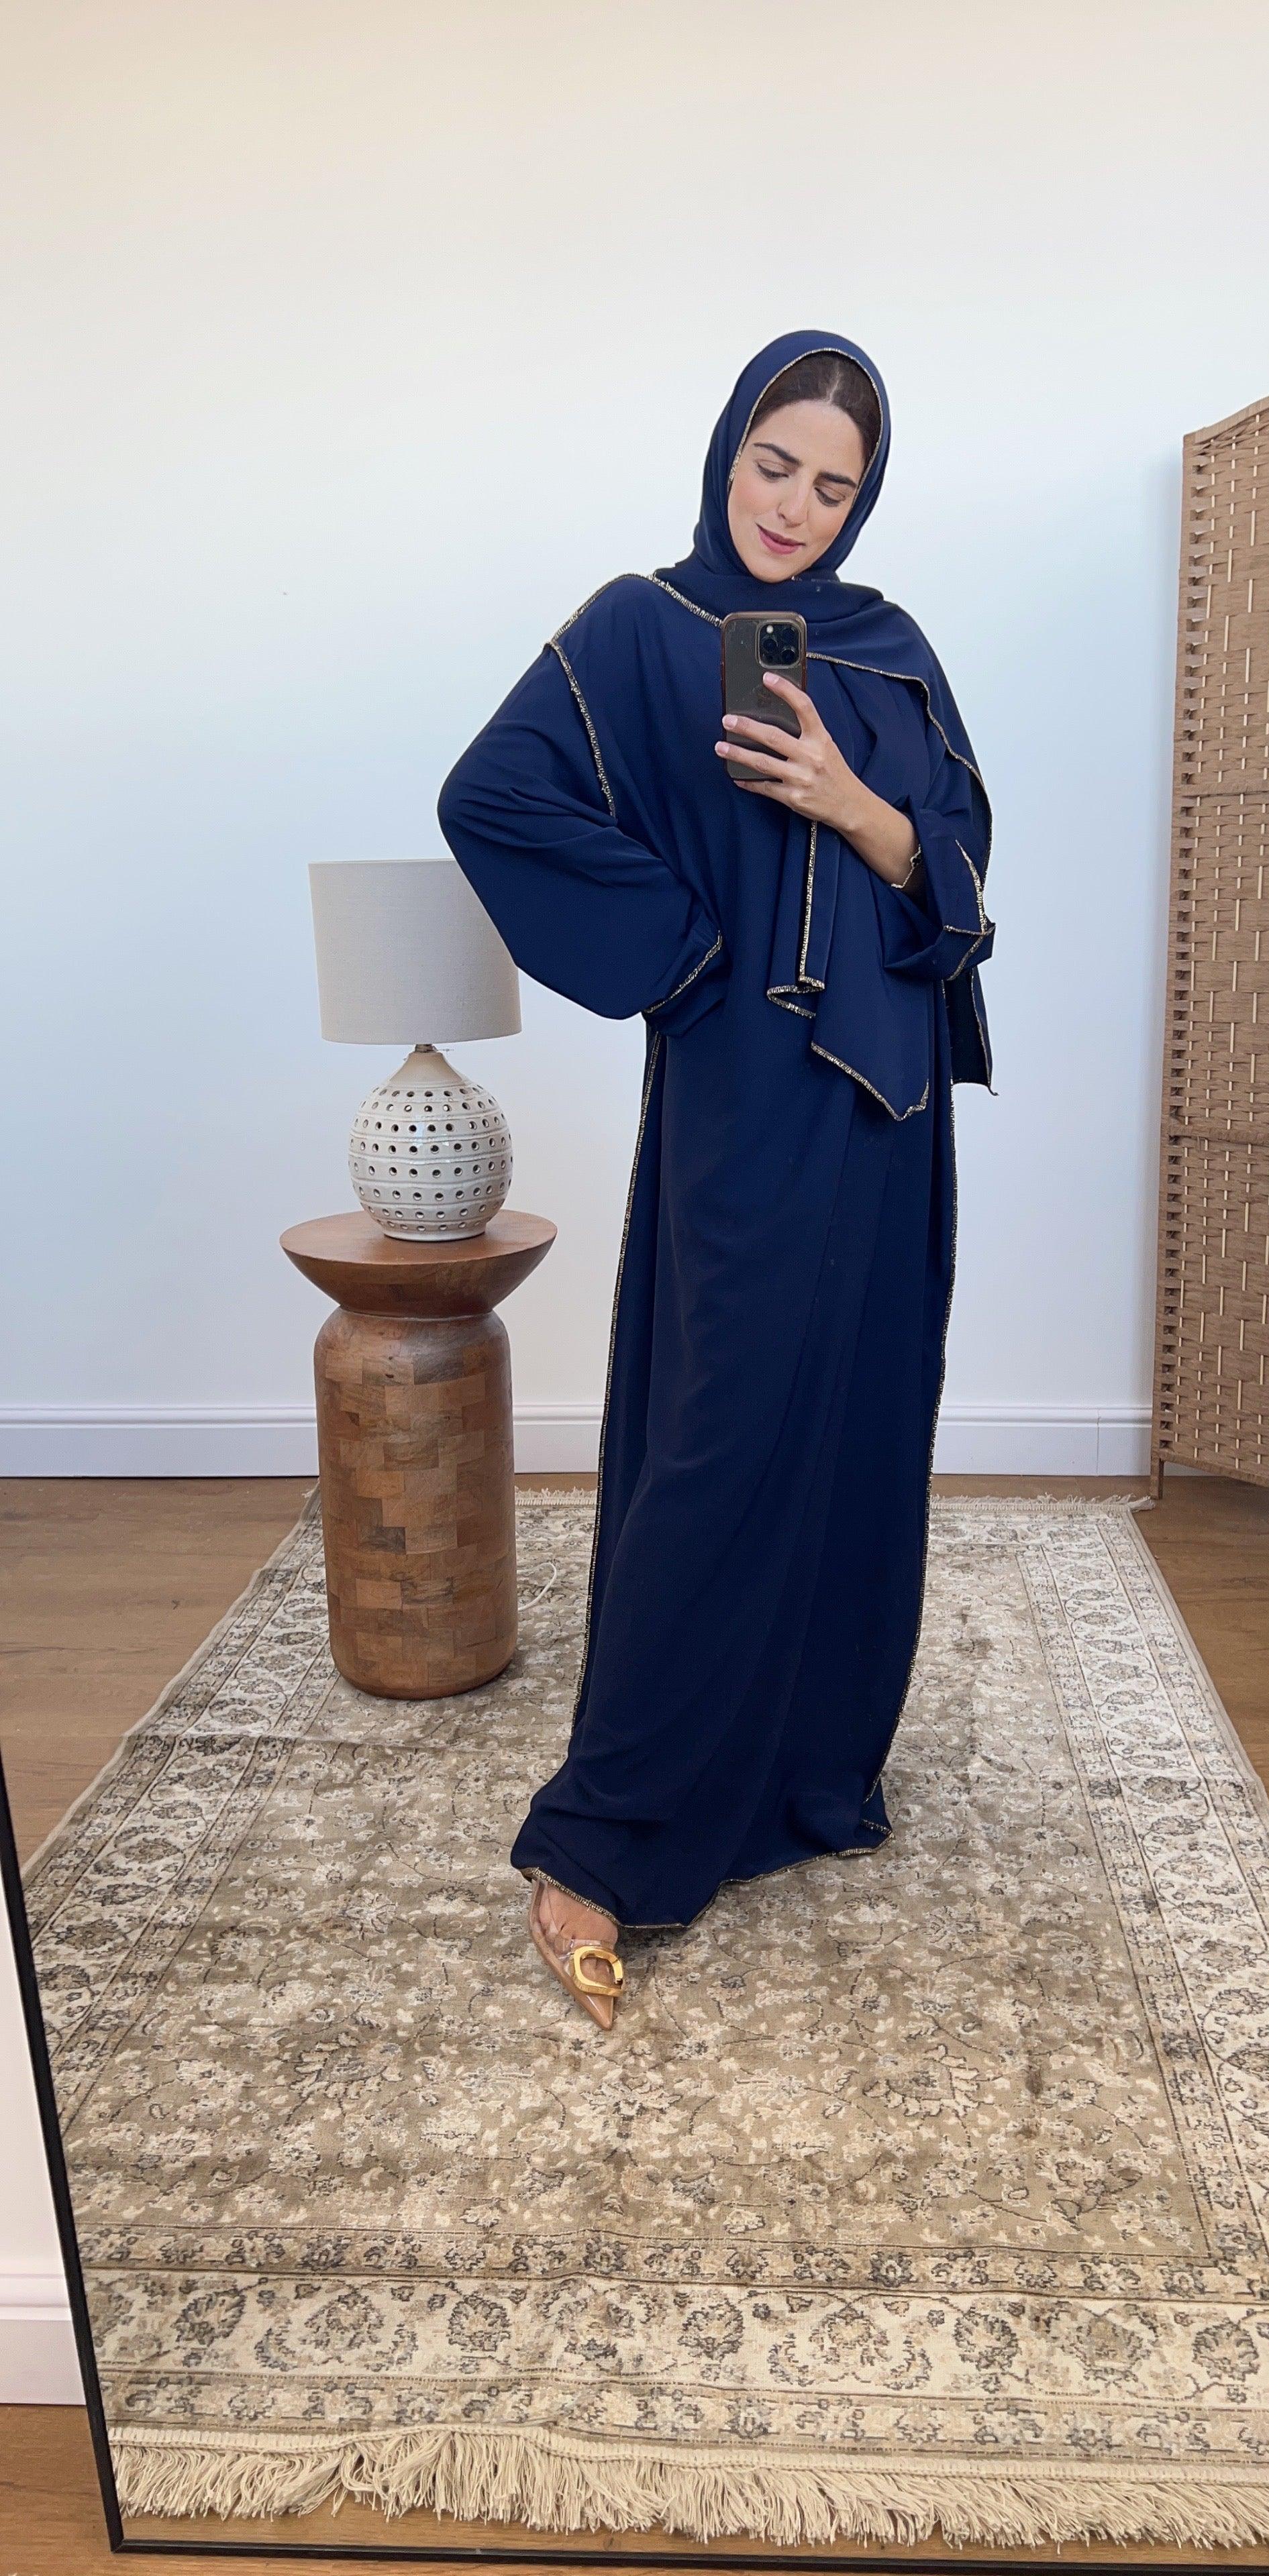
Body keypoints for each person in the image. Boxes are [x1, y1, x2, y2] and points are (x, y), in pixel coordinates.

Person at [437, 330, 994, 2030]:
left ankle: (805, 1769)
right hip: (748, 1100)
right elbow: (493, 796)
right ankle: (603, 1838)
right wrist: (686, 960)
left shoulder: (892, 652)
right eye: (774, 465)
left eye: (833, 484)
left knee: (857, 1425)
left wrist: (854, 804)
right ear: (726, 452)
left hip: (892, 1107)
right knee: (718, 1435)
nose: (794, 509)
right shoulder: (641, 629)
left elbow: (960, 866)